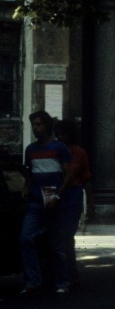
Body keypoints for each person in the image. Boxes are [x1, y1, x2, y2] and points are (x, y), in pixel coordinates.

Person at [19, 110, 72, 295]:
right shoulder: (31, 150)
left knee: (57, 244)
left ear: (47, 126)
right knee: (26, 238)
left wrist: (59, 195)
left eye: (39, 124)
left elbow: (68, 174)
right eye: (34, 124)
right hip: (35, 200)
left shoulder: (60, 148)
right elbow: (29, 172)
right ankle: (34, 280)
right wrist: (26, 187)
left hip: (53, 199)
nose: (36, 128)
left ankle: (61, 282)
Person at [53, 120, 92, 286]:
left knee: (67, 235)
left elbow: (86, 179)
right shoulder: (52, 151)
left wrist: (91, 203)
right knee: (56, 236)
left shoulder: (79, 152)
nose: (60, 137)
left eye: (63, 134)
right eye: (58, 134)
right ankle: (59, 273)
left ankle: (70, 273)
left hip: (73, 195)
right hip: (54, 194)